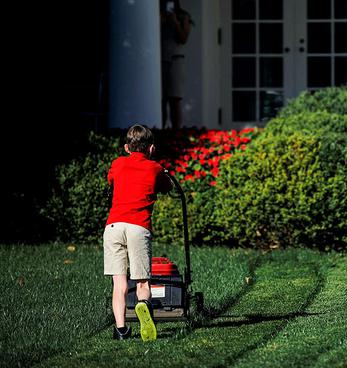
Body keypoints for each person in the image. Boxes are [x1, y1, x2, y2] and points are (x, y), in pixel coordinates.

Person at [104, 124, 173, 340]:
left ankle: (121, 330)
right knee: (142, 281)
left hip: (113, 226)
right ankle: (143, 305)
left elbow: (111, 181)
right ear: (151, 148)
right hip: (138, 226)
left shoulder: (117, 163)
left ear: (127, 147)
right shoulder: (154, 168)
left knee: (119, 283)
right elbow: (167, 187)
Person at [160, 0, 193, 129]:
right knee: (160, 99)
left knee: (174, 99)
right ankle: (159, 129)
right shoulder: (158, 16)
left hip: (175, 60)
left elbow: (183, 38)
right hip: (160, 61)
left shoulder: (183, 17)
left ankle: (176, 132)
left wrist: (175, 22)